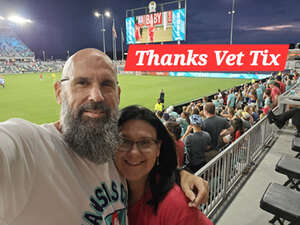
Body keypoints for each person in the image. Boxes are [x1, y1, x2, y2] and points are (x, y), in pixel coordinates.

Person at [0, 48, 208, 224]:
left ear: (117, 95)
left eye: (106, 84)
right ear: (59, 92)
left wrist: (178, 175)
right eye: (82, 83)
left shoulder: (112, 150)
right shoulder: (29, 146)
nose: (96, 96)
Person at [114, 105, 213, 225]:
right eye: (124, 141)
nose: (134, 152)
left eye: (145, 142)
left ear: (158, 149)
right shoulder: (106, 188)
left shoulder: (175, 205)